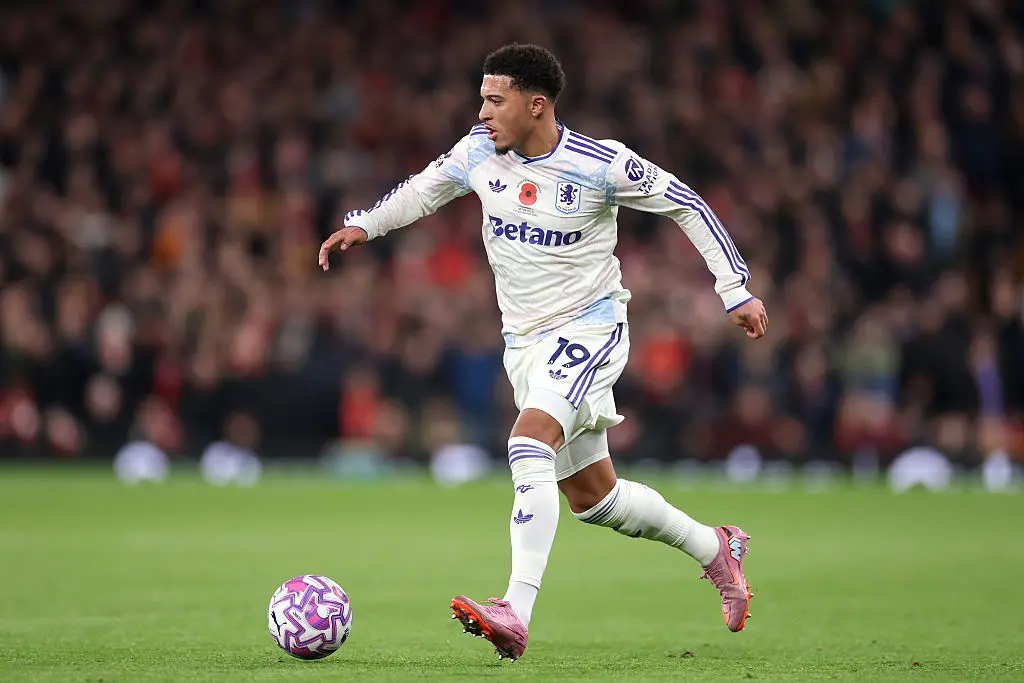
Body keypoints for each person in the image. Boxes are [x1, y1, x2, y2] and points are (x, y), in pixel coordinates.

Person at [319, 43, 768, 661]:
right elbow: (422, 191)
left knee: (527, 443)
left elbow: (686, 204)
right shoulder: (478, 151)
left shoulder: (601, 165)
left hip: (590, 329)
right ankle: (717, 549)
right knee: (593, 499)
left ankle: (515, 610)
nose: (482, 112)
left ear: (536, 104)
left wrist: (734, 288)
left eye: (494, 100)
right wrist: (364, 224)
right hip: (524, 343)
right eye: (481, 98)